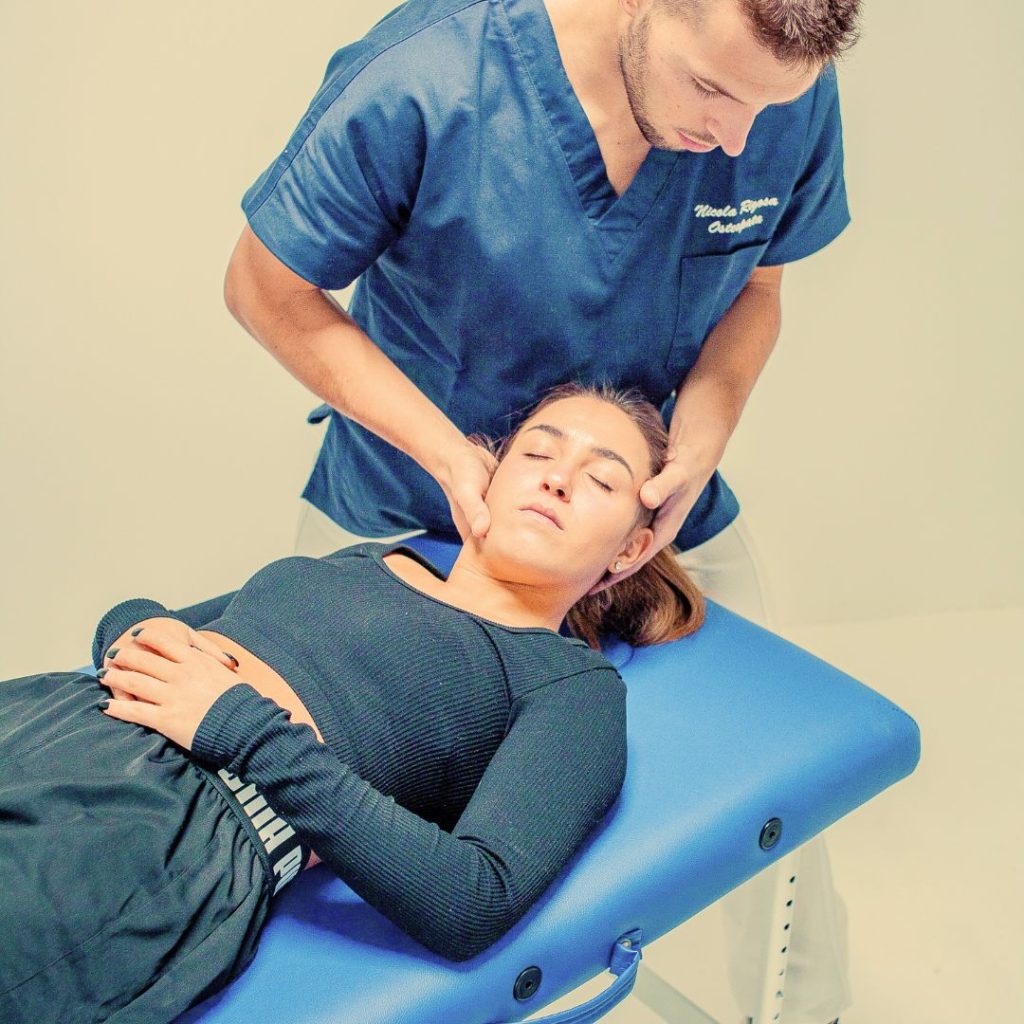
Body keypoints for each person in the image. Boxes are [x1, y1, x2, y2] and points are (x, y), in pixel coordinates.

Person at [224, 2, 859, 1020]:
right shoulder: (429, 75)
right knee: (300, 823)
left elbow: (760, 289)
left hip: (651, 516)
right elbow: (264, 286)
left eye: (765, 109)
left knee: (795, 777)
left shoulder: (774, 84)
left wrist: (705, 431)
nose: (737, 139)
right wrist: (448, 455)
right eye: (709, 90)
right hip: (407, 499)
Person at [0, 385, 704, 1024]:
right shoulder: (371, 557)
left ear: (631, 549)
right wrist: (135, 629)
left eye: (601, 479)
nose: (556, 478)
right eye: (538, 453)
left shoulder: (569, 686)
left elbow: (473, 898)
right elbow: (160, 624)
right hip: (54, 717)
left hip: (157, 828)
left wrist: (242, 730)